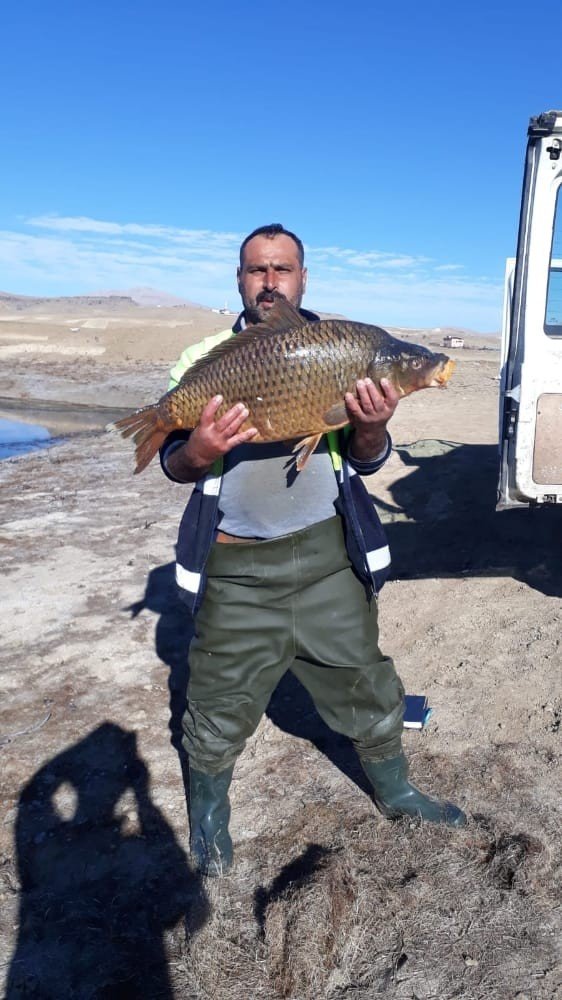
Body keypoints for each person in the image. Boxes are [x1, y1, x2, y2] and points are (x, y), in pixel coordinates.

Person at [160, 223, 466, 876]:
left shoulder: (344, 347)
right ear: (239, 280)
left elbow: (368, 458)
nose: (270, 281)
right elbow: (176, 466)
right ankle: (208, 819)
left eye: (283, 269)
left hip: (327, 558)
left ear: (303, 278)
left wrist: (374, 424)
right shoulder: (205, 358)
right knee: (215, 702)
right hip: (235, 569)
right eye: (256, 270)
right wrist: (198, 450)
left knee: (365, 679)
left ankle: (398, 791)